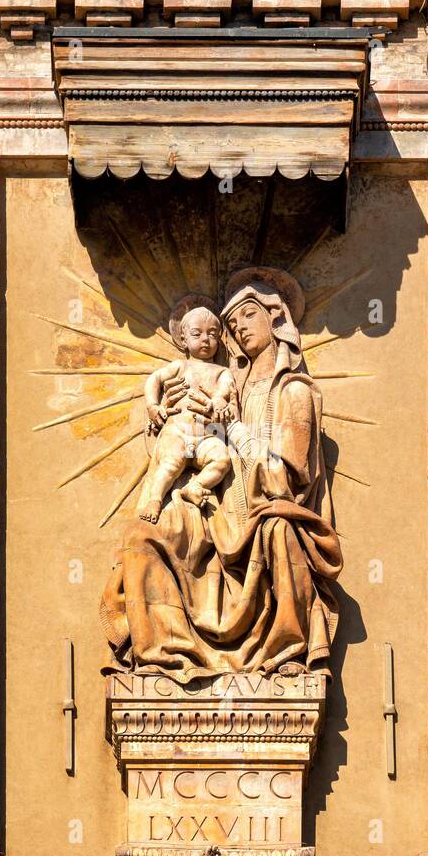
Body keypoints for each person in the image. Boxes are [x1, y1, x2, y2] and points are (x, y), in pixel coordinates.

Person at [101, 268, 342, 681]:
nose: (238, 328)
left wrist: (230, 429)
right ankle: (161, 655)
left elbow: (282, 480)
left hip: (262, 517)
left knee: (279, 529)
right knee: (141, 537)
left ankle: (285, 649)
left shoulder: (294, 393)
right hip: (213, 509)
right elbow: (183, 449)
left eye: (247, 315)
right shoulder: (227, 386)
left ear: (276, 317)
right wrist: (167, 420)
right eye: (231, 323)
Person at [137, 298, 238, 523]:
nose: (206, 339)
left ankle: (196, 486)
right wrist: (152, 405)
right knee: (170, 464)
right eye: (197, 334)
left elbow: (225, 389)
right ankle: (154, 500)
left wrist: (220, 399)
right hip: (178, 432)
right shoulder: (180, 366)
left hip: (206, 436)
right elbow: (154, 379)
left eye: (212, 334)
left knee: (222, 460)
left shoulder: (221, 371)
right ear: (183, 339)